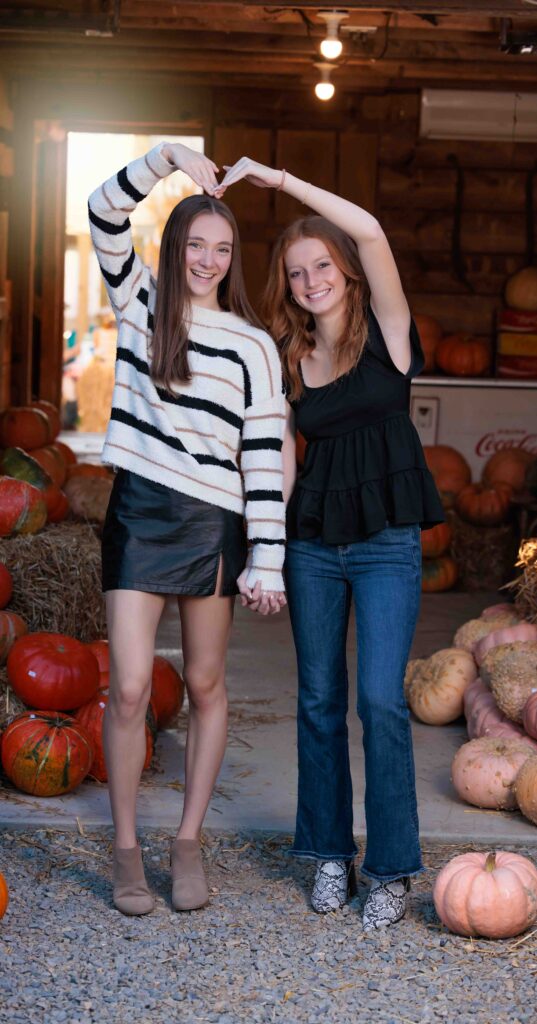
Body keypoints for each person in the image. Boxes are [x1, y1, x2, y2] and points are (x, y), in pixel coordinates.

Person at [221, 157, 444, 931]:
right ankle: (324, 854)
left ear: (345, 272)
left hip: (385, 542)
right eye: (296, 271)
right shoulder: (289, 357)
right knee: (317, 702)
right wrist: (267, 552)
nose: (311, 278)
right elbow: (281, 459)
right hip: (314, 544)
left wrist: (279, 182)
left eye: (321, 265)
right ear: (286, 286)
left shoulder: (388, 335)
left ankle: (388, 870)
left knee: (380, 701)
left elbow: (373, 230)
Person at [88, 142, 286, 916]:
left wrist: (265, 556)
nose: (208, 259)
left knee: (204, 683)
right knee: (132, 687)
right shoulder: (138, 300)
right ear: (175, 248)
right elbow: (103, 211)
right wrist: (169, 159)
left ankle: (187, 842)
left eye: (222, 249)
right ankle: (128, 850)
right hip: (140, 511)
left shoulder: (254, 345)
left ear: (233, 258)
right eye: (196, 245)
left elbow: (264, 458)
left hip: (213, 522)